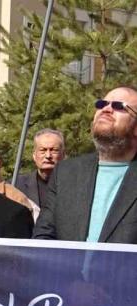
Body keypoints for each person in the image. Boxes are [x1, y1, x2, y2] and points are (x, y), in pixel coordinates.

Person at [34, 86, 137, 243]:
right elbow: (43, 238)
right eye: (102, 104)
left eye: (118, 106)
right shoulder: (66, 173)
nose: (106, 109)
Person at [16, 128, 65, 207]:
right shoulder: (16, 185)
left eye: (54, 150)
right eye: (42, 150)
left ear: (63, 155)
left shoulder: (76, 184)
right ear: (34, 155)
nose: (48, 156)